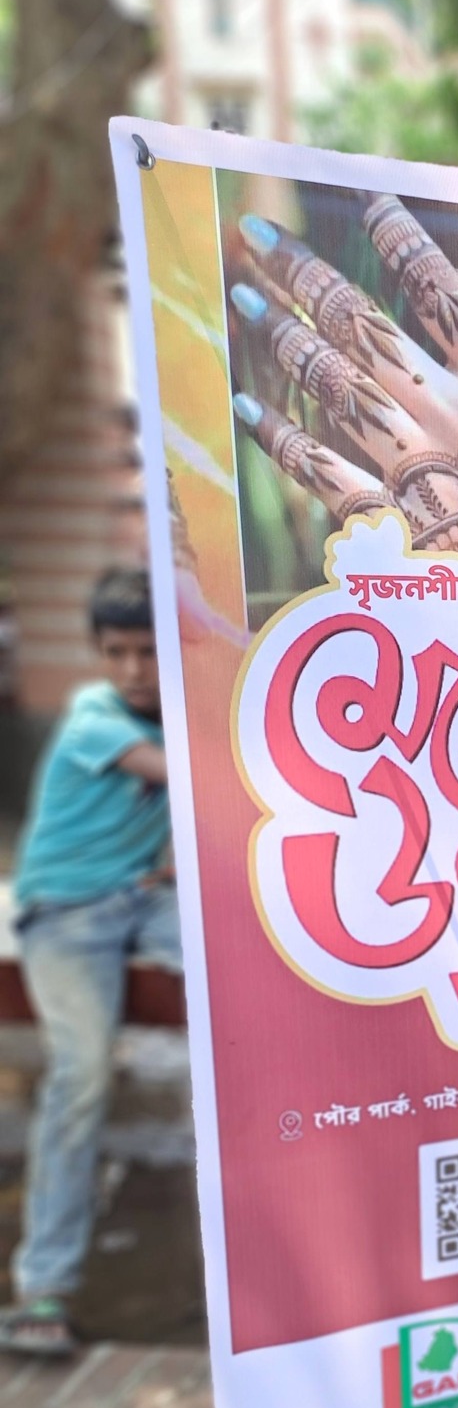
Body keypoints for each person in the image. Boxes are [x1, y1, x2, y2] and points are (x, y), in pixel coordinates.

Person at [0, 569, 180, 1359]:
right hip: (66, 918)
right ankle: (44, 1286)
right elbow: (190, 778)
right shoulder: (90, 714)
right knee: (83, 1073)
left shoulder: (180, 717)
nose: (136, 669)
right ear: (99, 656)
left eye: (150, 651)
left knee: (254, 982)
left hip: (142, 902)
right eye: (119, 653)